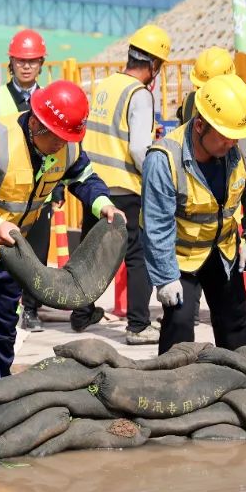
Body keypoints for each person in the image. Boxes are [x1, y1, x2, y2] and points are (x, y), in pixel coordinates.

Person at [0, 81, 124, 382]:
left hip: (13, 255)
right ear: (37, 124)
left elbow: (84, 178)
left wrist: (103, 204)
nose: (61, 146)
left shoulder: (67, 147)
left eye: (67, 139)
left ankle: (1, 390)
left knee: (3, 329)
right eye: (57, 138)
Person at [142, 75, 246, 354]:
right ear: (200, 126)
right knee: (178, 326)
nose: (231, 144)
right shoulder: (164, 159)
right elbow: (157, 226)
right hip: (180, 257)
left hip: (223, 250)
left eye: (235, 137)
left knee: (235, 324)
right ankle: (173, 392)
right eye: (225, 137)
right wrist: (166, 277)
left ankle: (240, 385)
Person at [77, 24, 170, 344]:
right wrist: (155, 177)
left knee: (91, 251)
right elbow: (137, 148)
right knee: (136, 254)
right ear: (154, 65)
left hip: (92, 183)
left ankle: (82, 311)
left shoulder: (106, 84)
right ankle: (139, 325)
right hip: (124, 187)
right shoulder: (140, 95)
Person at [0, 28, 57, 332]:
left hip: (40, 191)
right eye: (20, 61)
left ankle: (32, 309)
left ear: (41, 64)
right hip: (2, 192)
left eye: (32, 61)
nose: (26, 66)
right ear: (10, 62)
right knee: (1, 252)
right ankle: (2, 305)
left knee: (36, 254)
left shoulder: (50, 100)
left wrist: (57, 186)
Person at [176, 47, 235, 124]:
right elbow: (180, 132)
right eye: (200, 87)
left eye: (211, 89)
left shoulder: (239, 107)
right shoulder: (190, 102)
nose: (205, 93)